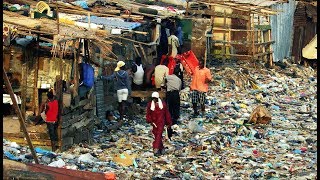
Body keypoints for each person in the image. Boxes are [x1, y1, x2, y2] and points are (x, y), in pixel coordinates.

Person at [146, 92, 172, 156]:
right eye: (153, 98)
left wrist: (169, 123)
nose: (154, 99)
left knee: (158, 135)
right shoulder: (150, 105)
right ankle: (161, 148)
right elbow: (148, 114)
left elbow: (166, 113)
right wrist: (150, 121)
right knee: (156, 135)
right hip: (154, 123)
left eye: (155, 98)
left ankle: (156, 148)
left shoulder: (163, 105)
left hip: (161, 122)